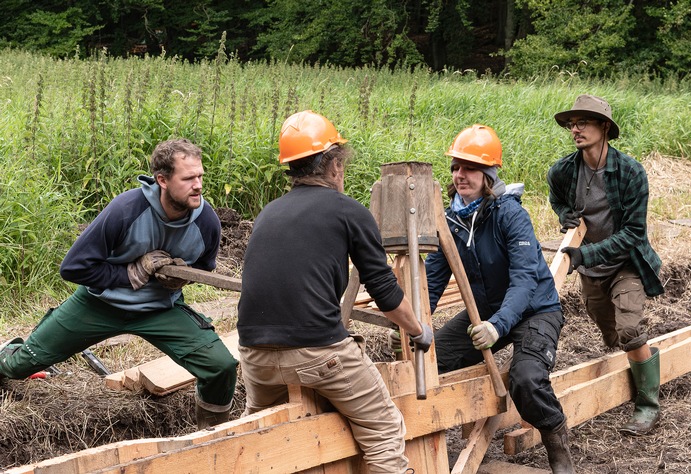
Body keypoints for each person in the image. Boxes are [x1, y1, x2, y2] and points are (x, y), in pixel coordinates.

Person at [236, 110, 433, 474]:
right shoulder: (348, 211)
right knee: (384, 430)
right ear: (334, 166)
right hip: (318, 353)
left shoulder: (268, 213)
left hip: (254, 355)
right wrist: (419, 330)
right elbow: (386, 292)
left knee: (264, 441)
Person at [0, 138, 238, 429]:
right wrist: (128, 275)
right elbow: (73, 268)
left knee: (220, 366)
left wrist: (177, 277)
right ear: (162, 180)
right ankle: (6, 352)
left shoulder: (206, 222)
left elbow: (203, 267)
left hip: (159, 309)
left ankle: (211, 434)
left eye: (200, 176)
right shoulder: (126, 210)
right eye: (188, 178)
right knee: (21, 365)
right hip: (99, 304)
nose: (198, 185)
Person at [424, 125, 575, 473]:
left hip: (535, 311)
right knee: (433, 359)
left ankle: (557, 443)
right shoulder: (448, 221)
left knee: (526, 379)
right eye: (456, 168)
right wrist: (414, 324)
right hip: (486, 312)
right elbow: (433, 280)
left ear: (488, 175)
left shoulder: (511, 214)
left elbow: (524, 281)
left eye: (471, 168)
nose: (461, 175)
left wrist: (497, 326)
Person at [547, 94, 664, 436]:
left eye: (583, 122)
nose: (576, 129)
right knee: (612, 334)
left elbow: (633, 233)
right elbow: (557, 200)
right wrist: (564, 215)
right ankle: (637, 358)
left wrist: (584, 255)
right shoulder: (563, 171)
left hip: (626, 263)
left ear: (604, 127)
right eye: (572, 124)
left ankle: (647, 407)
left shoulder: (630, 172)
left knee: (629, 329)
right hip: (591, 271)